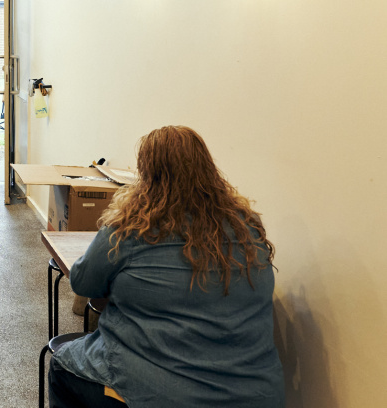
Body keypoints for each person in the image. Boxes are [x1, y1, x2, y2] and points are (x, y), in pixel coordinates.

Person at [49, 126, 284, 408]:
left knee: (61, 364)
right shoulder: (247, 228)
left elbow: (83, 282)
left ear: (147, 176)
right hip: (257, 394)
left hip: (165, 393)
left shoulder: (131, 228)